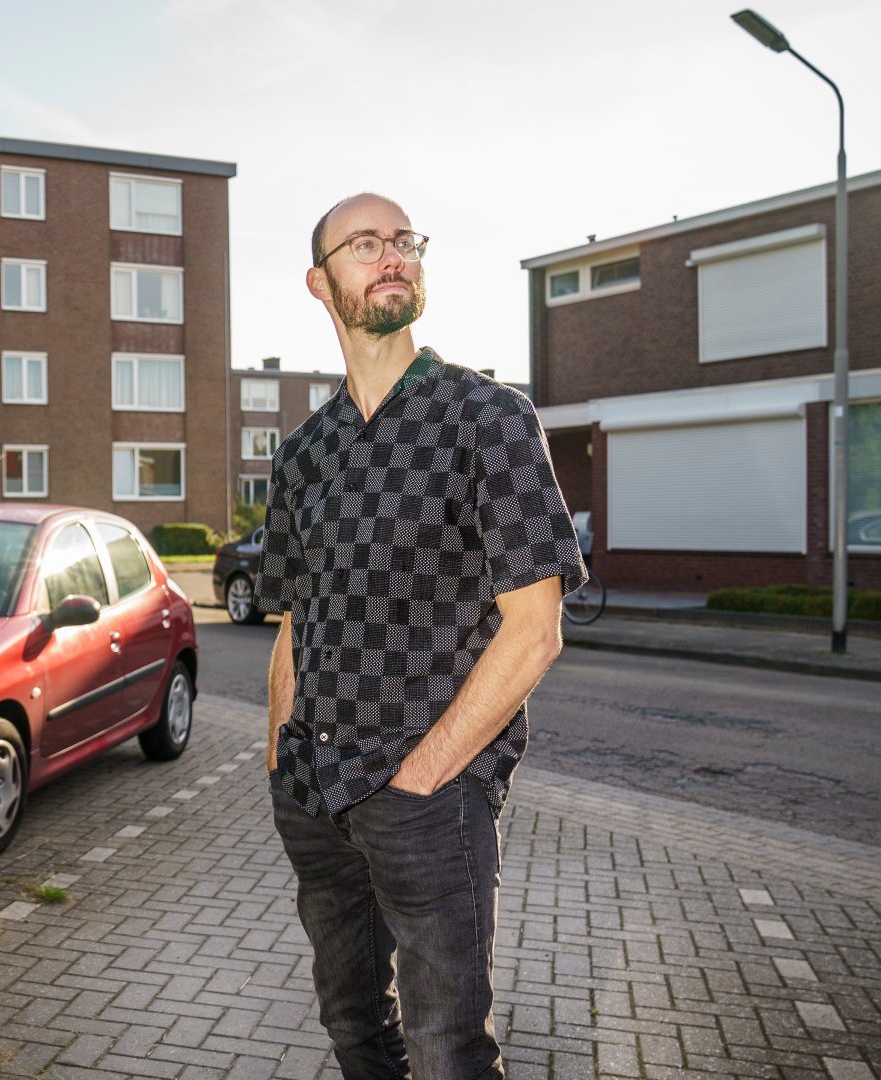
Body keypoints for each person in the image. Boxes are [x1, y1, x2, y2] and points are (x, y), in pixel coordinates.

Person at [255, 193, 585, 1079]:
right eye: (365, 244)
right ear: (320, 283)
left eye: (404, 240)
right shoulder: (304, 454)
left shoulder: (488, 418)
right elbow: (292, 615)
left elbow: (535, 629)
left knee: (448, 1051)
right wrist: (280, 752)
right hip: (316, 794)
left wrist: (426, 773)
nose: (392, 254)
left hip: (428, 801)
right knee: (355, 1031)